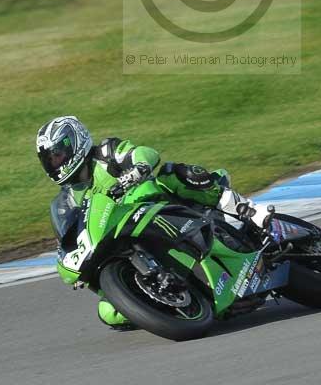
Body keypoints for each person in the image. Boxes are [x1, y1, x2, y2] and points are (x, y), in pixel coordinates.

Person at [36, 115, 268, 330]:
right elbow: (68, 233)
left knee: (174, 174)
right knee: (108, 312)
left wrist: (137, 170)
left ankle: (249, 211)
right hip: (123, 234)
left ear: (74, 143)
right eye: (49, 160)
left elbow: (144, 153)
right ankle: (169, 302)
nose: (55, 164)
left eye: (57, 155)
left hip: (160, 206)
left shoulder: (106, 154)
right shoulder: (67, 199)